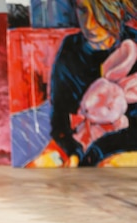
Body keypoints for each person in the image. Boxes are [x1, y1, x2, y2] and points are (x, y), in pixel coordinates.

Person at [30, 0, 137, 167]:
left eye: (100, 13)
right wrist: (74, 152)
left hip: (122, 150)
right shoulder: (70, 49)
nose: (89, 24)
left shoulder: (133, 48)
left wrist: (96, 153)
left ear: (119, 11)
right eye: (82, 10)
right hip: (80, 145)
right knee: (40, 165)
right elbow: (60, 120)